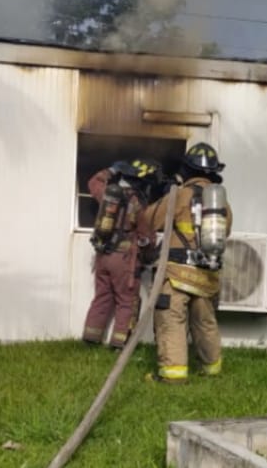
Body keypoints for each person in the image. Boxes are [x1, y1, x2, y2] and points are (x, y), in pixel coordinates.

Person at [150, 142, 232, 384]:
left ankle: (172, 376)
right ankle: (212, 370)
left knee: (171, 319)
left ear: (186, 169)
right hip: (207, 275)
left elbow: (151, 220)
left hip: (177, 274)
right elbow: (224, 232)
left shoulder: (179, 195)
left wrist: (164, 193)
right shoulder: (221, 204)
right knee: (205, 321)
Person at [81, 157, 163, 349]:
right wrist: (151, 254)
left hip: (103, 256)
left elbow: (93, 182)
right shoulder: (139, 205)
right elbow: (146, 237)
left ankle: (91, 338)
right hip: (124, 260)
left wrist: (111, 170)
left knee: (102, 297)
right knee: (127, 301)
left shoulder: (109, 195)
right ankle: (119, 343)